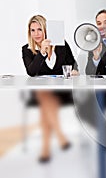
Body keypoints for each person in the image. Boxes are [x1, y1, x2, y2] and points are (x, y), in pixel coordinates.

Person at [22, 15, 79, 163]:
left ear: (46, 30)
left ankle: (50, 145)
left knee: (46, 104)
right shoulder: (27, 50)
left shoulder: (61, 45)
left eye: (39, 29)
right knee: (45, 99)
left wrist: (74, 71)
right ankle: (56, 140)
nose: (36, 34)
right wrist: (41, 52)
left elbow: (73, 63)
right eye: (32, 30)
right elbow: (31, 71)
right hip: (41, 94)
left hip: (62, 92)